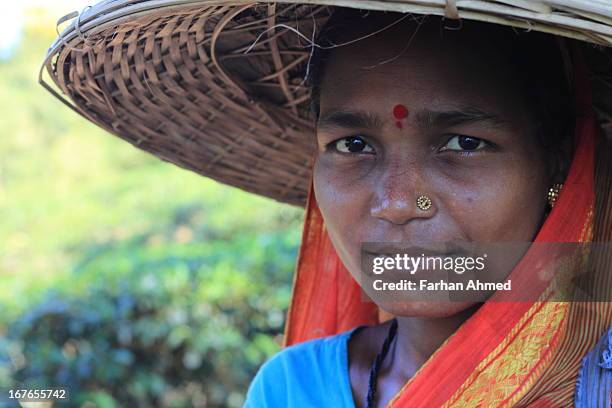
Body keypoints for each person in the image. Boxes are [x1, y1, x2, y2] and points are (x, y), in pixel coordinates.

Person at [41, 1, 612, 406]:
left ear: (558, 164)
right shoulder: (290, 389)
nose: (395, 202)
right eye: (353, 145)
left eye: (464, 143)